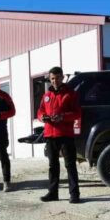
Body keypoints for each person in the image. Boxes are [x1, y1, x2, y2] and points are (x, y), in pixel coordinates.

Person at [37, 66, 82, 204]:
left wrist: (62, 116)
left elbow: (77, 114)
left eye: (57, 78)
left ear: (62, 77)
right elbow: (39, 112)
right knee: (53, 166)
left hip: (65, 135)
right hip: (50, 135)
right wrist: (42, 117)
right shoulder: (46, 96)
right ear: (49, 79)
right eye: (52, 78)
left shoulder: (71, 94)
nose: (55, 81)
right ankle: (53, 193)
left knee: (70, 165)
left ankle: (74, 194)